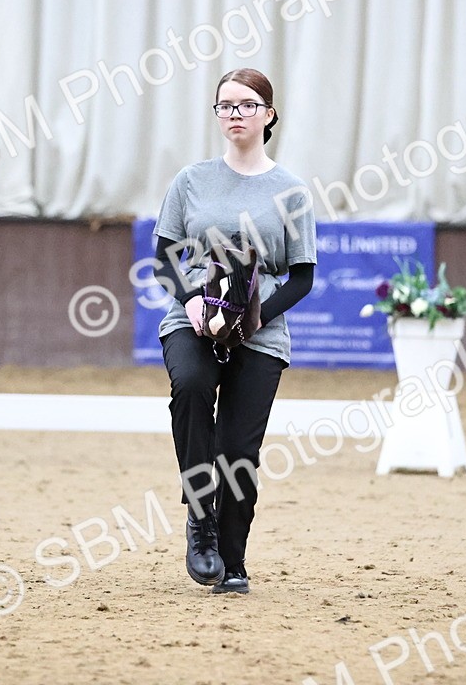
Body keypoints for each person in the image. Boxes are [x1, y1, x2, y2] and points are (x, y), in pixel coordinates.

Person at [153, 68, 317, 594]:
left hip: (260, 331)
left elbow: (303, 276)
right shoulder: (191, 181)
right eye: (225, 106)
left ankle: (232, 558)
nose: (235, 115)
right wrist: (195, 300)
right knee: (193, 386)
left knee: (239, 451)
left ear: (268, 114)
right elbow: (164, 260)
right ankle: (199, 522)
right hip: (194, 319)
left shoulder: (291, 192)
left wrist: (256, 315)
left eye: (247, 105)